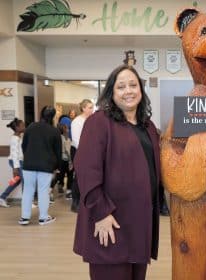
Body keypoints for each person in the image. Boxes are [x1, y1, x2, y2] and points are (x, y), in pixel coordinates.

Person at [73, 65, 160, 280]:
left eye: (133, 85)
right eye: (121, 86)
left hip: (139, 222)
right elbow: (86, 171)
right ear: (111, 92)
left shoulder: (147, 126)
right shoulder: (99, 122)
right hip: (110, 220)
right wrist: (101, 213)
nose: (128, 91)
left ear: (141, 90)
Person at [19, 106, 61, 225]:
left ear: (40, 114)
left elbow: (24, 145)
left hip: (29, 164)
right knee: (43, 191)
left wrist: (28, 157)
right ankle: (43, 218)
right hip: (46, 165)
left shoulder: (31, 127)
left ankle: (24, 217)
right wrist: (57, 166)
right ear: (53, 116)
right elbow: (58, 151)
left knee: (27, 190)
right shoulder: (54, 131)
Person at [70, 99, 94, 212]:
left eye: (92, 107)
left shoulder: (91, 120)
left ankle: (85, 200)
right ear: (83, 108)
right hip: (79, 151)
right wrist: (86, 152)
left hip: (89, 151)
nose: (92, 110)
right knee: (78, 176)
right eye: (89, 107)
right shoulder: (77, 121)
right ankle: (75, 202)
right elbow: (76, 140)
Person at [0, 118, 25, 207]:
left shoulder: (18, 137)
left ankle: (2, 198)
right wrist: (15, 168)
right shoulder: (15, 139)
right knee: (25, 180)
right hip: (16, 161)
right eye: (22, 125)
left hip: (18, 161)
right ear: (17, 128)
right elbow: (14, 154)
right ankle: (26, 202)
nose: (24, 127)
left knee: (16, 181)